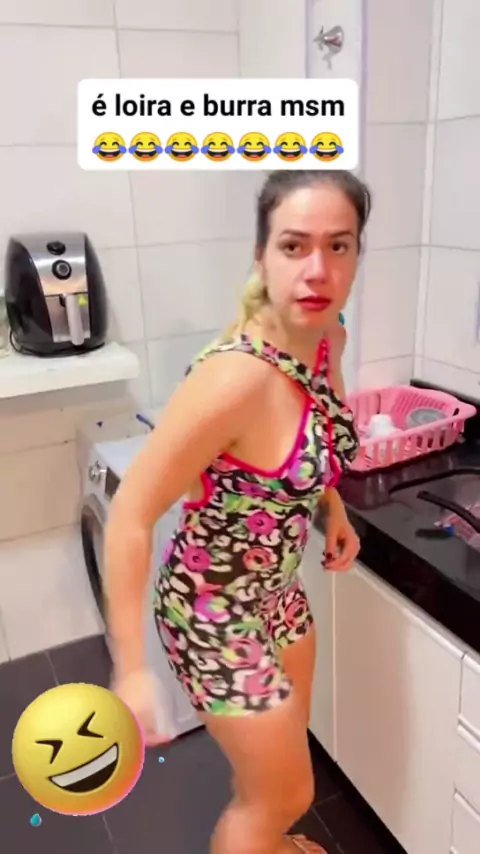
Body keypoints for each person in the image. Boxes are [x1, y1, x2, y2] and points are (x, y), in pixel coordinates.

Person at [104, 168, 372, 854]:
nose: (318, 269)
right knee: (288, 792)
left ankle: (269, 839)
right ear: (262, 255)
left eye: (339, 246)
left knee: (276, 773)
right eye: (294, 245)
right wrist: (131, 668)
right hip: (211, 614)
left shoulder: (328, 336)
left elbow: (316, 432)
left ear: (356, 255)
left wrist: (332, 509)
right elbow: (130, 513)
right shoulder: (235, 379)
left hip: (277, 592)